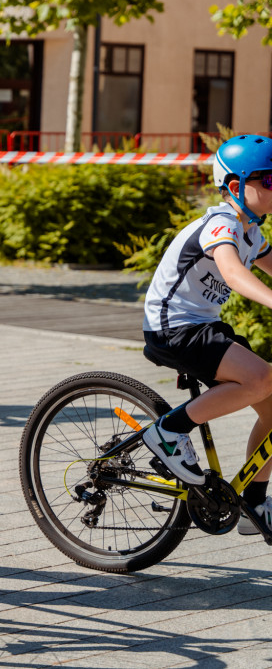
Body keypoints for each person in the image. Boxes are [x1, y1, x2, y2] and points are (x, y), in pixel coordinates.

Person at [141, 135, 272, 534]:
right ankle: (168, 432)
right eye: (269, 181)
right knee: (262, 378)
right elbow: (233, 273)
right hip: (172, 326)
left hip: (203, 326)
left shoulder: (253, 232)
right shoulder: (221, 224)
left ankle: (253, 505)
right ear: (236, 187)